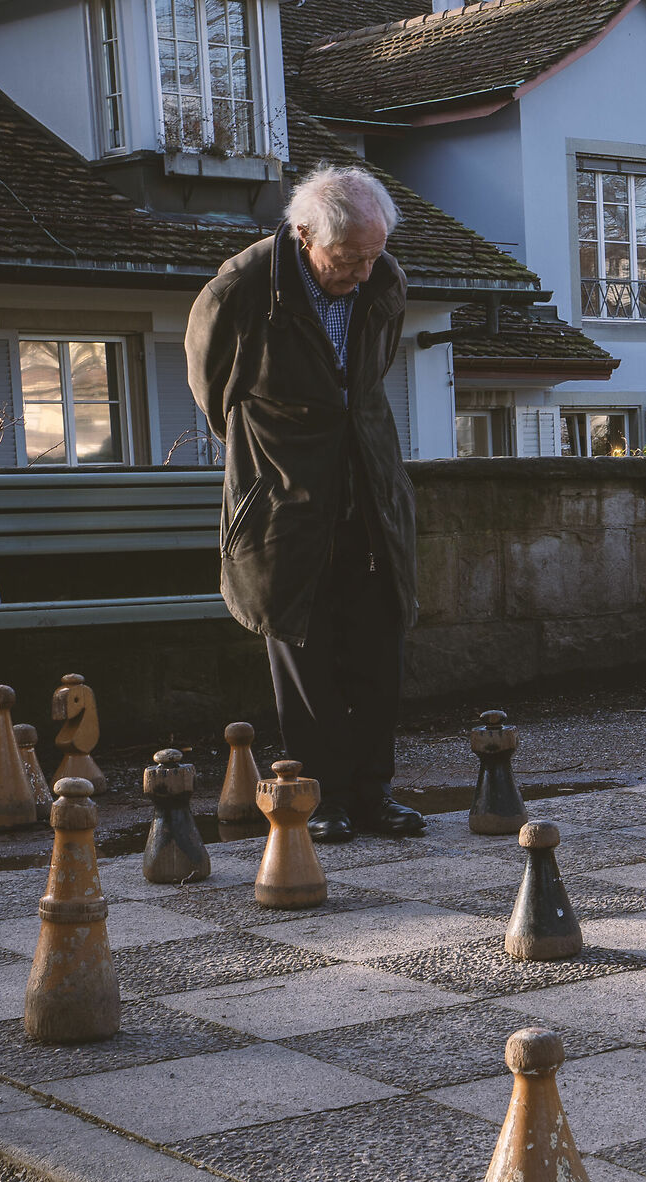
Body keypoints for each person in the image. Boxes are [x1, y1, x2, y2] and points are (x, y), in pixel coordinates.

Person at [186, 166, 425, 842]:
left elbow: (367, 382)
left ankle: (375, 794)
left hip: (369, 492)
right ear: (302, 235)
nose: (362, 271)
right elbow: (214, 396)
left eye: (373, 255)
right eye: (347, 259)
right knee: (306, 654)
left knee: (379, 650)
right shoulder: (238, 290)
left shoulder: (385, 282)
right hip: (285, 504)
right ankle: (322, 799)